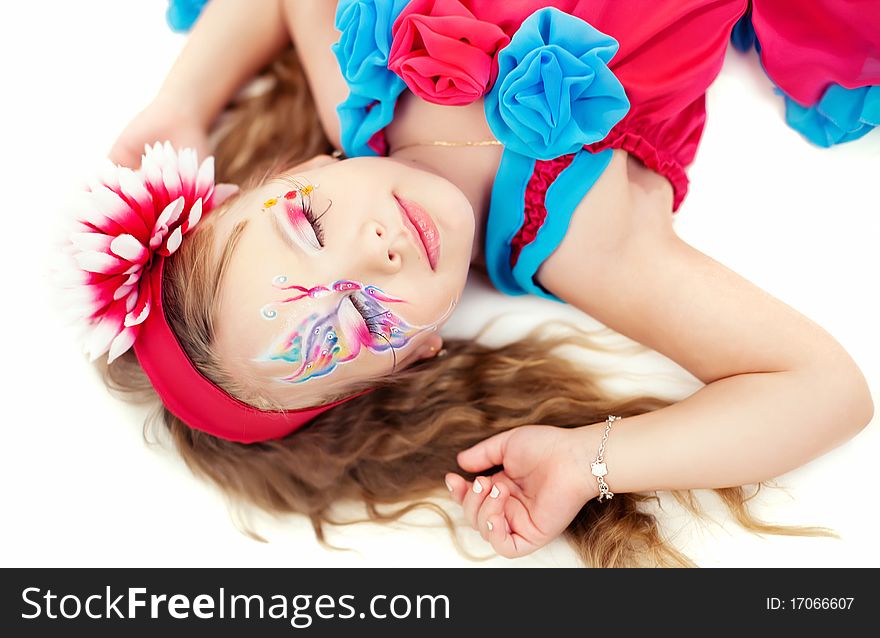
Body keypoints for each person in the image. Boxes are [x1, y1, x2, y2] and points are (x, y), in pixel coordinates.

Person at [67, 0, 876, 567]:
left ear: (301, 168)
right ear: (416, 355)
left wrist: (182, 98)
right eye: (351, 320)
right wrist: (591, 460)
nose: (372, 248)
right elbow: (826, 389)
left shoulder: (361, 80)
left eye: (310, 224)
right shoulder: (579, 240)